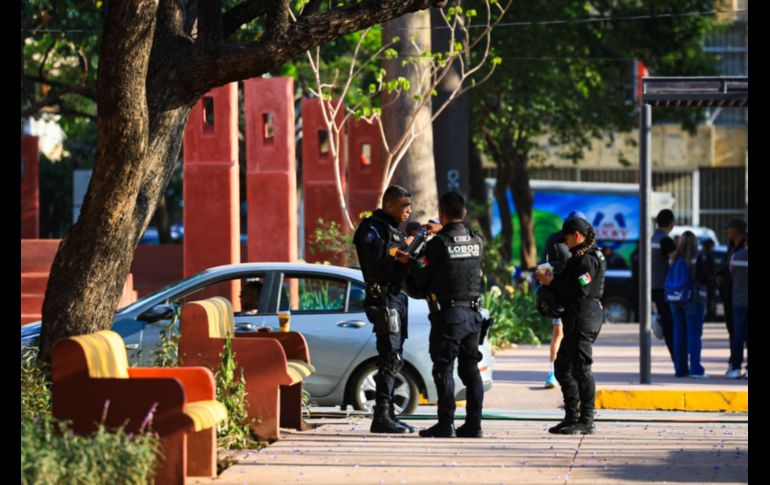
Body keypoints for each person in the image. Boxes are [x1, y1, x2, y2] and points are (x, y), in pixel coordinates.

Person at [407, 192, 485, 438]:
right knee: (470, 370)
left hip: (448, 316)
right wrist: (443, 228)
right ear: (464, 213)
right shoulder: (477, 240)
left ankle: (446, 423)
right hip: (473, 316)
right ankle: (474, 424)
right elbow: (458, 238)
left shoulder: (437, 244)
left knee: (444, 369)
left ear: (441, 213)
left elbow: (420, 277)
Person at [353, 185, 416, 434]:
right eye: (403, 205)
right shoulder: (372, 228)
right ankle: (381, 416)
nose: (408, 210)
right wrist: (402, 253)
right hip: (383, 298)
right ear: (389, 205)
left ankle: (389, 413)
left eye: (409, 205)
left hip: (397, 297)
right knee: (389, 356)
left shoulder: (394, 229)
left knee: (396, 356)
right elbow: (376, 260)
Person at [535, 217, 606, 435]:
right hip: (577, 318)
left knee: (581, 368)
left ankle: (586, 419)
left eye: (566, 237)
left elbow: (578, 291)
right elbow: (569, 285)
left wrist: (551, 283)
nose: (564, 243)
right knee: (563, 366)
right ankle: (572, 417)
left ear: (577, 234)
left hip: (583, 318)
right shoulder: (580, 257)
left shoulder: (587, 260)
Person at [541, 210, 587, 389]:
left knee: (578, 336)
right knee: (559, 332)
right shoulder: (556, 239)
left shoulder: (588, 244)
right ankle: (552, 372)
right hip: (560, 292)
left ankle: (576, 373)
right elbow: (545, 265)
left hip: (579, 297)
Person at [667, 231, 708, 378]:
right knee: (694, 334)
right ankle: (696, 368)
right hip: (693, 299)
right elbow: (704, 279)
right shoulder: (697, 258)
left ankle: (680, 369)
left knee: (678, 333)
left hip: (675, 298)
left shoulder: (673, 258)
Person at [717, 218, 747, 378]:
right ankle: (734, 364)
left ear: (735, 230)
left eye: (728, 228)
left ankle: (735, 366)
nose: (727, 231)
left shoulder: (738, 253)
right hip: (731, 297)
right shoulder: (731, 248)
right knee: (734, 332)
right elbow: (724, 269)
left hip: (738, 298)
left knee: (739, 333)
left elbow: (730, 270)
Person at [651, 209, 678, 367]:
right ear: (671, 223)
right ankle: (677, 358)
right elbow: (677, 260)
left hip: (655, 285)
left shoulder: (653, 238)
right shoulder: (665, 240)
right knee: (670, 324)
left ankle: (676, 357)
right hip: (663, 287)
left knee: (667, 321)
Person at [728, 232, 748, 379]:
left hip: (739, 301)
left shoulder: (735, 257)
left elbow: (731, 273)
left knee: (738, 335)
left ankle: (735, 368)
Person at [698, 239, 718, 322]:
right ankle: (710, 316)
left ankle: (707, 315)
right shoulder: (709, 255)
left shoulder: (701, 254)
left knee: (705, 300)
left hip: (703, 281)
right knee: (710, 300)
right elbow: (710, 269)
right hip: (709, 281)